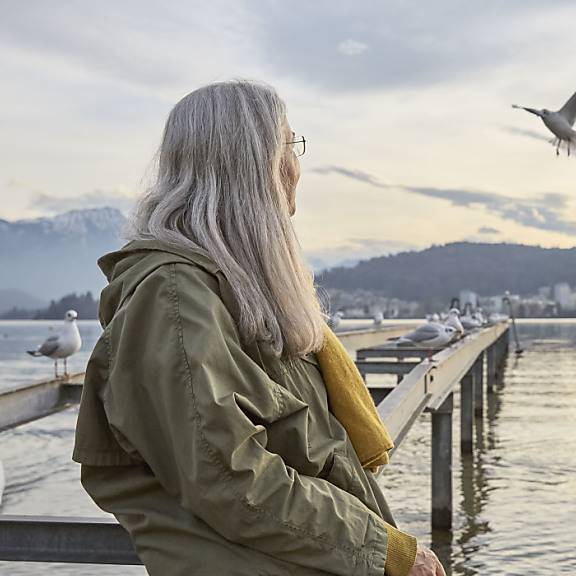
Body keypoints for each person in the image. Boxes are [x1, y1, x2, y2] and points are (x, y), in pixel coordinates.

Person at [73, 80, 445, 576]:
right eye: (289, 145)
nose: (297, 165)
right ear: (256, 167)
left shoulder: (233, 288)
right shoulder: (174, 296)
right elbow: (226, 474)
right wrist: (384, 550)